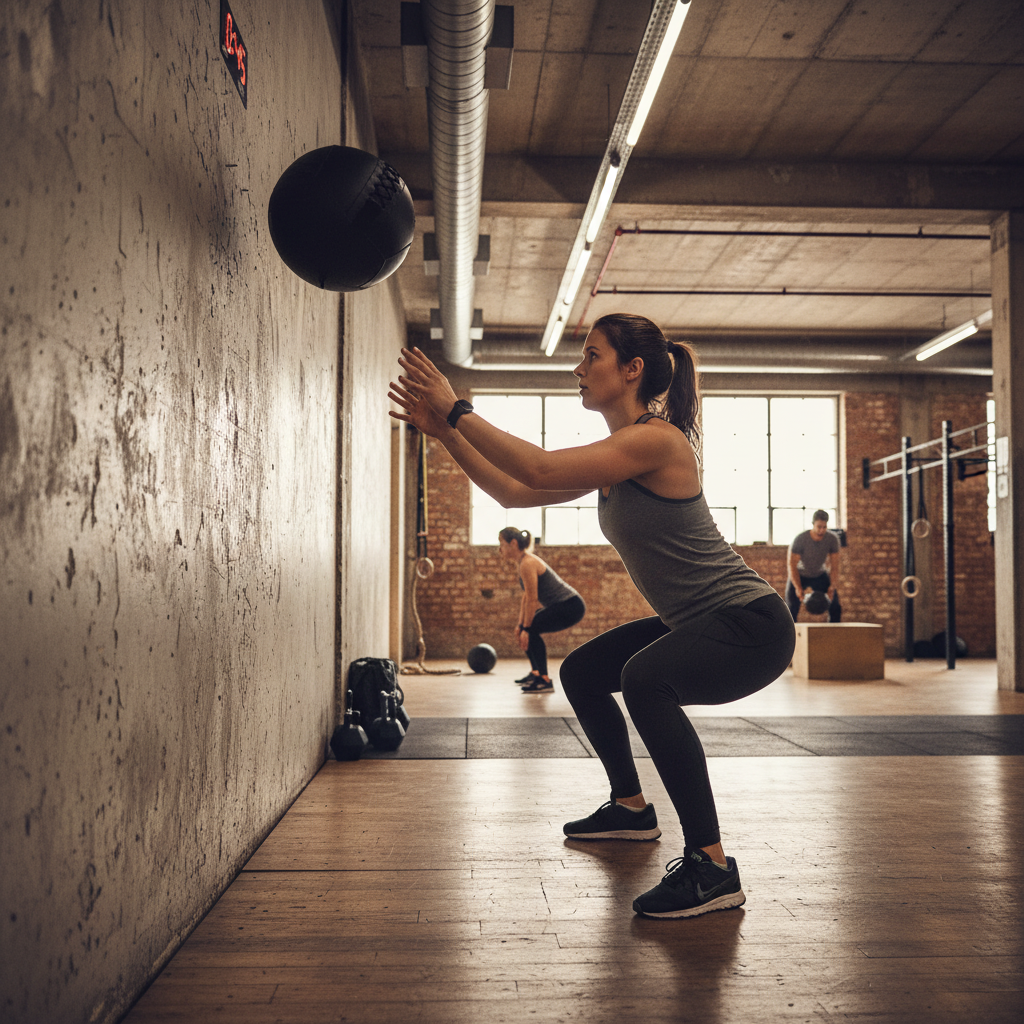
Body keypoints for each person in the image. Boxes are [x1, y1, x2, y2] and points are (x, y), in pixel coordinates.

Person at [388, 312, 795, 920]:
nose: (579, 369)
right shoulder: (618, 455)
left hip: (751, 624)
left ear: (632, 370)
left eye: (592, 356)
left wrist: (456, 410)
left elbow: (541, 468)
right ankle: (631, 808)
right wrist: (445, 434)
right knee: (582, 671)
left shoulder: (657, 440)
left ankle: (712, 867)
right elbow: (516, 493)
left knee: (644, 679)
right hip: (702, 620)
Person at [498, 527, 586, 692]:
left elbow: (533, 599)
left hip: (571, 606)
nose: (499, 549)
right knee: (527, 628)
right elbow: (526, 597)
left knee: (531, 629)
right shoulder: (523, 562)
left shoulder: (528, 563)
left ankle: (544, 680)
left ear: (513, 543)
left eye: (502, 544)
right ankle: (536, 673)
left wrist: (527, 627)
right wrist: (520, 625)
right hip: (563, 605)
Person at [785, 510, 842, 622]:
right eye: (819, 527)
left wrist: (832, 587)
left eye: (824, 527)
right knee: (790, 607)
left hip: (819, 574)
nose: (821, 530)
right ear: (813, 524)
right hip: (801, 574)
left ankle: (834, 636)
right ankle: (790, 637)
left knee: (835, 606)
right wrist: (798, 587)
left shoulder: (832, 539)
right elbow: (792, 565)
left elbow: (834, 566)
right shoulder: (800, 539)